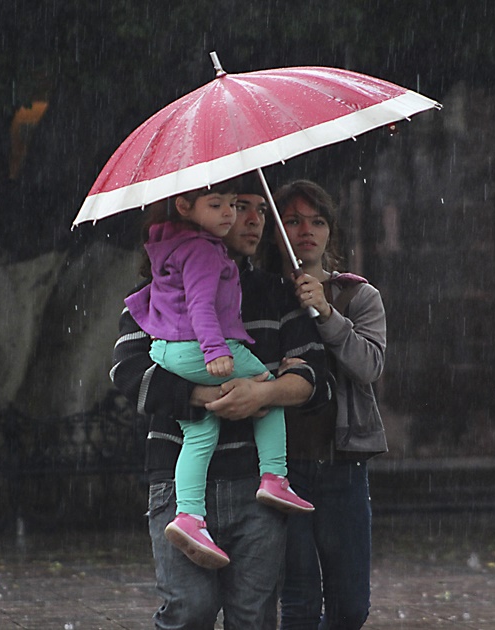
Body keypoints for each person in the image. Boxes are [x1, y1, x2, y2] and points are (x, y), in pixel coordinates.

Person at [112, 177, 332, 629]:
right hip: (178, 478)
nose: (248, 220)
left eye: (258, 210)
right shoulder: (158, 292)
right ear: (195, 213)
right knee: (188, 611)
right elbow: (126, 372)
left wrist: (263, 393)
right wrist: (199, 396)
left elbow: (315, 379)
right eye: (234, 206)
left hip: (255, 482)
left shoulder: (276, 292)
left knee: (252, 617)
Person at [259, 179, 388, 630]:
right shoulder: (261, 295)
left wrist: (329, 316)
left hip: (343, 466)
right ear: (276, 231)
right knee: (298, 604)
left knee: (350, 606)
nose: (305, 230)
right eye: (291, 221)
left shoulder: (358, 296)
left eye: (316, 221)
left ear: (331, 231)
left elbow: (369, 366)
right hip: (283, 467)